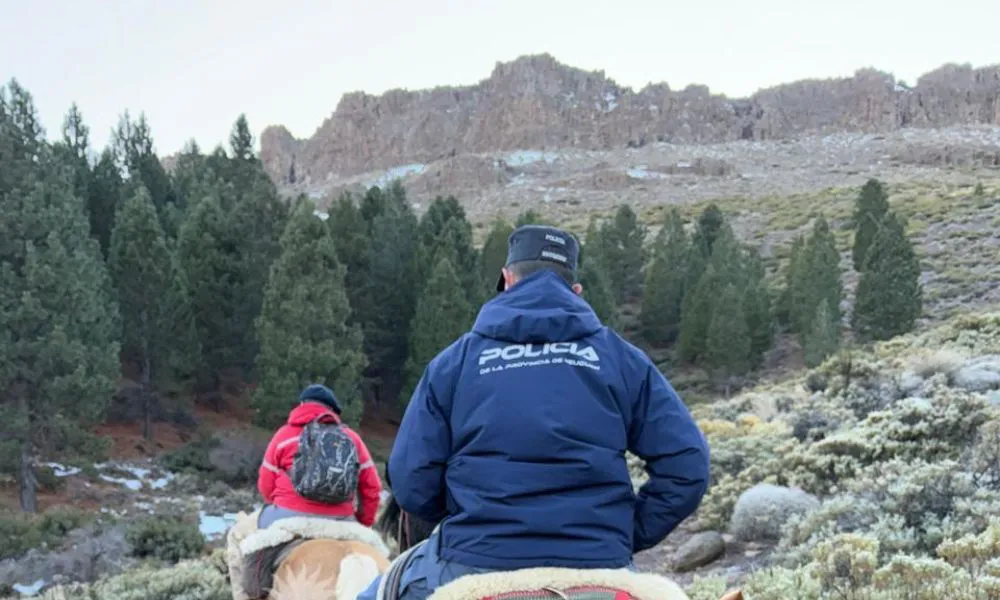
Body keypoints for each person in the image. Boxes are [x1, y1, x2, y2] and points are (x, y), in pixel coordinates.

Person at [358, 224, 710, 600]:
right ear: (575, 291)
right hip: (598, 557)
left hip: (474, 557)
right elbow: (687, 465)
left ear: (507, 280)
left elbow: (411, 479)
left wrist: (463, 520)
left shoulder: (454, 362)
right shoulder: (622, 360)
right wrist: (625, 532)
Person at [226, 383, 382, 600]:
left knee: (236, 536)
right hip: (343, 519)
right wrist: (363, 521)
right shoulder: (351, 439)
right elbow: (372, 488)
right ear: (332, 411)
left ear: (301, 406)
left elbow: (265, 485)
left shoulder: (284, 435)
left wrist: (282, 503)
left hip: (288, 516)